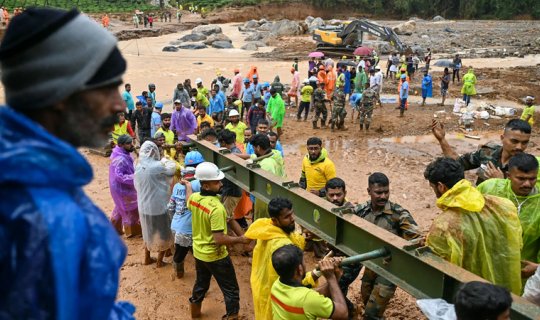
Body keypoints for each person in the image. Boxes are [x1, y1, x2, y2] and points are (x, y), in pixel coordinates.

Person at [0, 8, 138, 318]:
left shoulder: (36, 176)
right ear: (59, 92)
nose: (119, 104)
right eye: (107, 87)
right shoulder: (43, 220)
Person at [424, 157, 522, 294]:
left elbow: (436, 264)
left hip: (472, 296)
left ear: (441, 186)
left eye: (433, 187)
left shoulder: (444, 224)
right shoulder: (502, 205)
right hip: (506, 290)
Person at [354, 173, 421, 319]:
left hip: (391, 269)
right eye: (378, 192)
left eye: (386, 192)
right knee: (366, 298)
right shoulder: (361, 211)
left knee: (371, 313)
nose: (383, 196)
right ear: (369, 191)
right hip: (371, 266)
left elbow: (417, 239)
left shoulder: (399, 214)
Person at [187, 162, 250, 319]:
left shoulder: (194, 198)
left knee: (201, 284)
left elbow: (189, 201)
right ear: (206, 186)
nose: (221, 184)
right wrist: (241, 239)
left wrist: (187, 185)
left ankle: (195, 313)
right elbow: (219, 238)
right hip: (216, 256)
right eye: (217, 182)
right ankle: (233, 316)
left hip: (199, 252)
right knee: (231, 289)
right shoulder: (217, 208)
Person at [244, 198, 316, 319]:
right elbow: (291, 281)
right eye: (287, 217)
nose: (292, 219)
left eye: (292, 214)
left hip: (261, 285)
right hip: (272, 292)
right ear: (275, 220)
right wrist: (314, 275)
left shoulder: (266, 227)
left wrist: (304, 237)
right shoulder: (282, 246)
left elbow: (290, 236)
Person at [477, 153, 540, 271]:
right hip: (487, 264)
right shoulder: (490, 188)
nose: (527, 184)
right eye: (521, 178)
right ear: (508, 175)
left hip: (522, 271)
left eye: (532, 179)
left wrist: (537, 270)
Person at [431, 118, 532, 184]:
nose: (519, 147)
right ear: (502, 138)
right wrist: (442, 140)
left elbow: (524, 201)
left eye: (524, 143)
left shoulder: (527, 166)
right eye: (514, 141)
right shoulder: (487, 152)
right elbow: (457, 162)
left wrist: (500, 183)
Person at [270, 244, 349, 320]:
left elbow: (314, 294)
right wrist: (331, 278)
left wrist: (336, 277)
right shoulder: (308, 299)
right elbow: (343, 313)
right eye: (304, 262)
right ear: (300, 269)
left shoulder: (276, 286)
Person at [135, 141, 175, 267]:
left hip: (143, 207)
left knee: (148, 232)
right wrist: (165, 158)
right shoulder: (157, 166)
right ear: (154, 152)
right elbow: (172, 169)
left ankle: (147, 258)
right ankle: (159, 261)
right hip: (158, 207)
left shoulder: (138, 165)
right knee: (164, 233)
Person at [168, 151, 204, 278]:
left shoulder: (177, 186)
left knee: (180, 251)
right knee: (198, 254)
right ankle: (200, 277)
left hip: (176, 225)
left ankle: (179, 272)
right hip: (190, 227)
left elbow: (170, 207)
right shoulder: (198, 185)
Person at [109, 134, 140, 239]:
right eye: (128, 143)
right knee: (130, 207)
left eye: (131, 142)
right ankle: (133, 230)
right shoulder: (120, 159)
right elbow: (119, 176)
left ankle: (114, 230)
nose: (131, 145)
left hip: (123, 187)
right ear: (121, 145)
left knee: (120, 207)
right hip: (122, 188)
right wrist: (135, 177)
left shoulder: (123, 154)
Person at [251, 134, 286, 220]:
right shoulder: (274, 154)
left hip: (266, 200)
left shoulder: (266, 163)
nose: (253, 150)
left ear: (258, 148)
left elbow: (264, 184)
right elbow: (251, 157)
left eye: (254, 148)